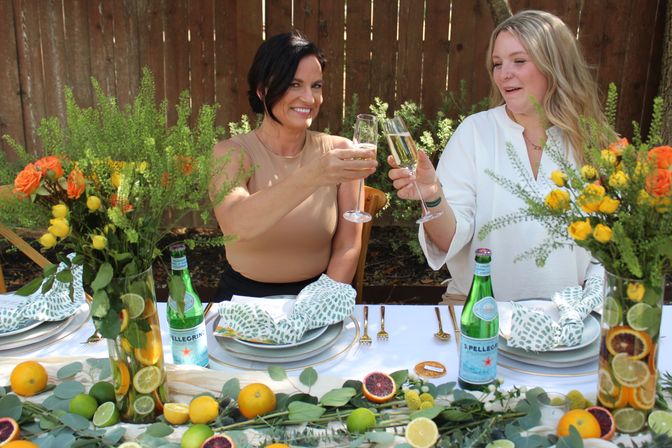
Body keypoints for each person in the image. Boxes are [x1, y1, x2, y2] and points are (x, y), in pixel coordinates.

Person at [387, 10, 608, 302]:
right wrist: (432, 195)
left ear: (554, 65)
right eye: (497, 63)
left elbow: (610, 249)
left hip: (570, 320)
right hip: (479, 313)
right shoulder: (475, 133)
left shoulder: (590, 141)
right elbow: (447, 240)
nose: (504, 74)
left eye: (519, 61)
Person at [211, 31, 377, 301]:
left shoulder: (343, 152)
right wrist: (314, 174)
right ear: (262, 89)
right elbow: (235, 225)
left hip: (318, 295)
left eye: (316, 86)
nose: (310, 99)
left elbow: (348, 245)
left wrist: (318, 307)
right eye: (294, 84)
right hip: (242, 300)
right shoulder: (231, 153)